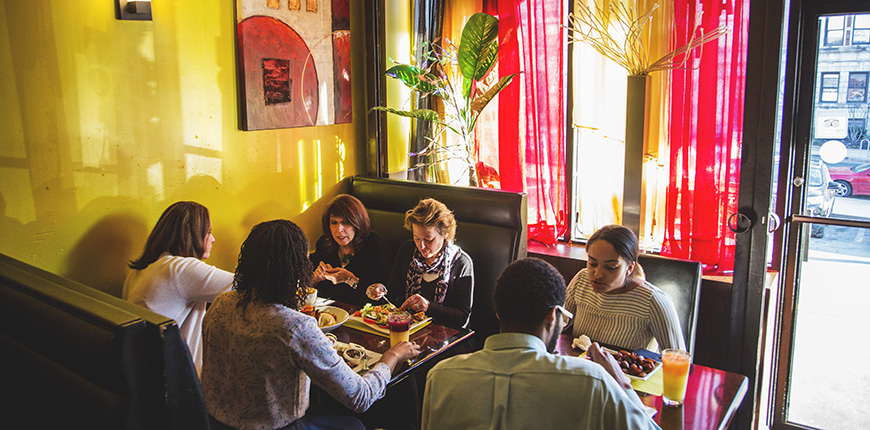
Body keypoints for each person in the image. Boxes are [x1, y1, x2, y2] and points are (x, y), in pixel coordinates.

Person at [201, 220, 420, 430]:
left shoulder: (222, 303)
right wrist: (391, 356)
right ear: (295, 268)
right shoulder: (294, 327)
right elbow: (359, 397)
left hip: (212, 422)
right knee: (356, 423)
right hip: (280, 425)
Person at [421, 258, 660, 429]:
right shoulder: (592, 381)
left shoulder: (441, 376)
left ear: (498, 313)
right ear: (552, 316)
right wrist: (622, 385)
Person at [123, 201, 232, 375]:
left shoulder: (138, 271)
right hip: (175, 380)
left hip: (146, 373)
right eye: (209, 232)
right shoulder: (178, 269)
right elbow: (246, 285)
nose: (213, 238)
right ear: (193, 234)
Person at [565, 224, 685, 352]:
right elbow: (558, 324)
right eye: (592, 263)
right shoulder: (582, 280)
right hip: (581, 368)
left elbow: (678, 359)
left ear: (629, 268)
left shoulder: (653, 301)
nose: (598, 274)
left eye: (611, 267)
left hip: (623, 371)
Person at [369, 198, 473, 329]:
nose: (421, 246)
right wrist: (381, 290)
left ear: (445, 234)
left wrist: (429, 307)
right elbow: (393, 294)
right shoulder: (407, 251)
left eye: (428, 239)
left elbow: (462, 317)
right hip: (408, 328)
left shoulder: (461, 263)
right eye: (416, 238)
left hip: (445, 334)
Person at [309, 194, 393, 306]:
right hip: (330, 314)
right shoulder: (324, 244)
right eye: (334, 223)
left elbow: (384, 297)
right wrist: (315, 278)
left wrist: (350, 280)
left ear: (357, 223)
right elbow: (309, 288)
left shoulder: (376, 245)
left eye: (346, 223)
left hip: (363, 316)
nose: (339, 230)